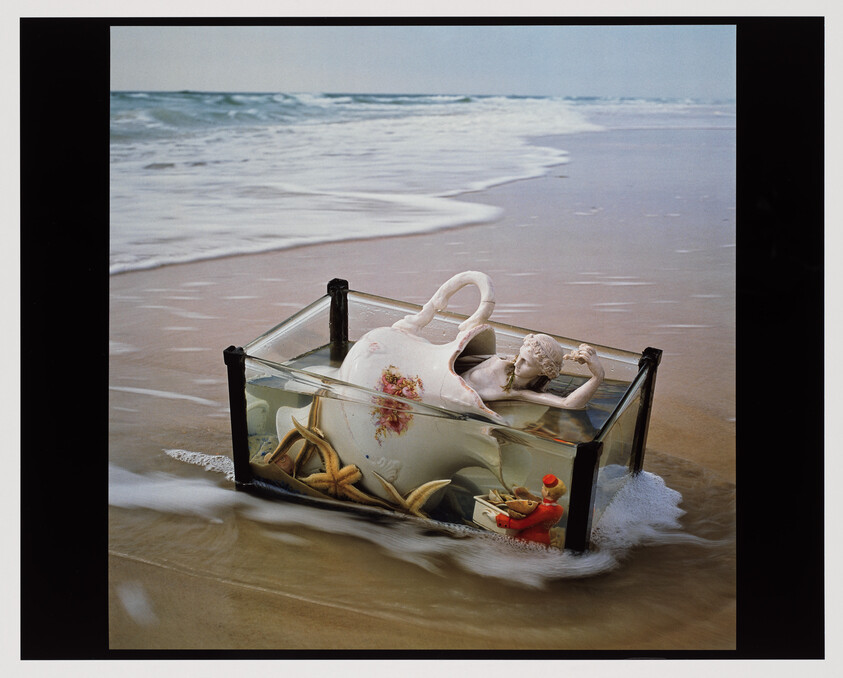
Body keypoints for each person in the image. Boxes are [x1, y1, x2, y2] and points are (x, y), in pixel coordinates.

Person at [460, 334, 604, 409]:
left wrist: (597, 377)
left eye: (526, 362)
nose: (517, 363)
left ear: (541, 372)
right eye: (519, 356)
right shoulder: (502, 363)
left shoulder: (522, 392)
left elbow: (569, 404)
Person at [493, 474, 567, 546]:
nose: (541, 489)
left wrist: (497, 518)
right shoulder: (559, 509)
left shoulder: (543, 510)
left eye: (542, 488)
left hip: (529, 541)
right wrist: (526, 495)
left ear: (547, 493)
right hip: (545, 541)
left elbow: (519, 525)